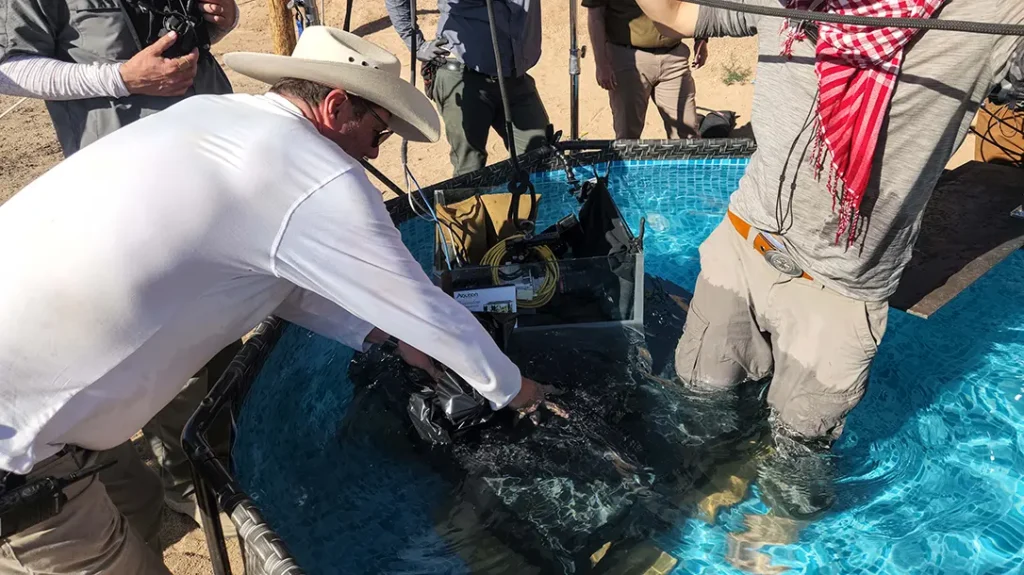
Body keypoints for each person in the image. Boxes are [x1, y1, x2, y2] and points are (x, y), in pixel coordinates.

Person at [0, 26, 557, 573]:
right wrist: (521, 392)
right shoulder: (316, 173)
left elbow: (272, 279)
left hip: (51, 400)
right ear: (337, 106)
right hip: (17, 443)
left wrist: (382, 334)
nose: (375, 150)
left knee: (140, 507)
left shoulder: (212, 115)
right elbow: (429, 312)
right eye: (379, 131)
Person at [631, 0, 1024, 518]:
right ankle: (709, 483)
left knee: (801, 455)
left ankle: (779, 526)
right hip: (742, 250)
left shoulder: (992, 13)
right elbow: (677, 12)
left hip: (840, 290)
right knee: (697, 403)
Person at [0, 0, 244, 530]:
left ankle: (235, 457)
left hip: (206, 175)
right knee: (164, 348)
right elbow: (10, 68)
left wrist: (221, 22)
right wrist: (120, 76)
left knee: (223, 330)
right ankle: (191, 490)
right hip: (126, 196)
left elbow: (190, 39)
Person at [384, 0, 552, 177]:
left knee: (539, 156)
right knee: (470, 171)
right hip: (463, 76)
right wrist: (417, 45)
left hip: (514, 75)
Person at [584, 0, 709, 140]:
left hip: (674, 57)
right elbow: (595, 15)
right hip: (629, 59)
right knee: (628, 137)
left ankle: (684, 162)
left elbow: (696, 5)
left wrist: (701, 39)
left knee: (687, 135)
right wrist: (602, 64)